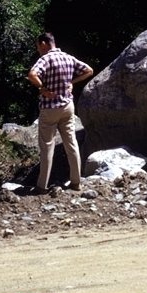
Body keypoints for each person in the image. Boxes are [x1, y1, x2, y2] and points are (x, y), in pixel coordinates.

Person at [27, 32, 93, 193]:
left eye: (38, 46)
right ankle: (76, 182)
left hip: (50, 108)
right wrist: (72, 82)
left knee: (47, 146)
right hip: (68, 106)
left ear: (44, 44)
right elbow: (89, 70)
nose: (38, 50)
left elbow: (32, 75)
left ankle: (42, 186)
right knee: (71, 143)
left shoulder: (45, 59)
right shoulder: (68, 57)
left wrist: (42, 89)